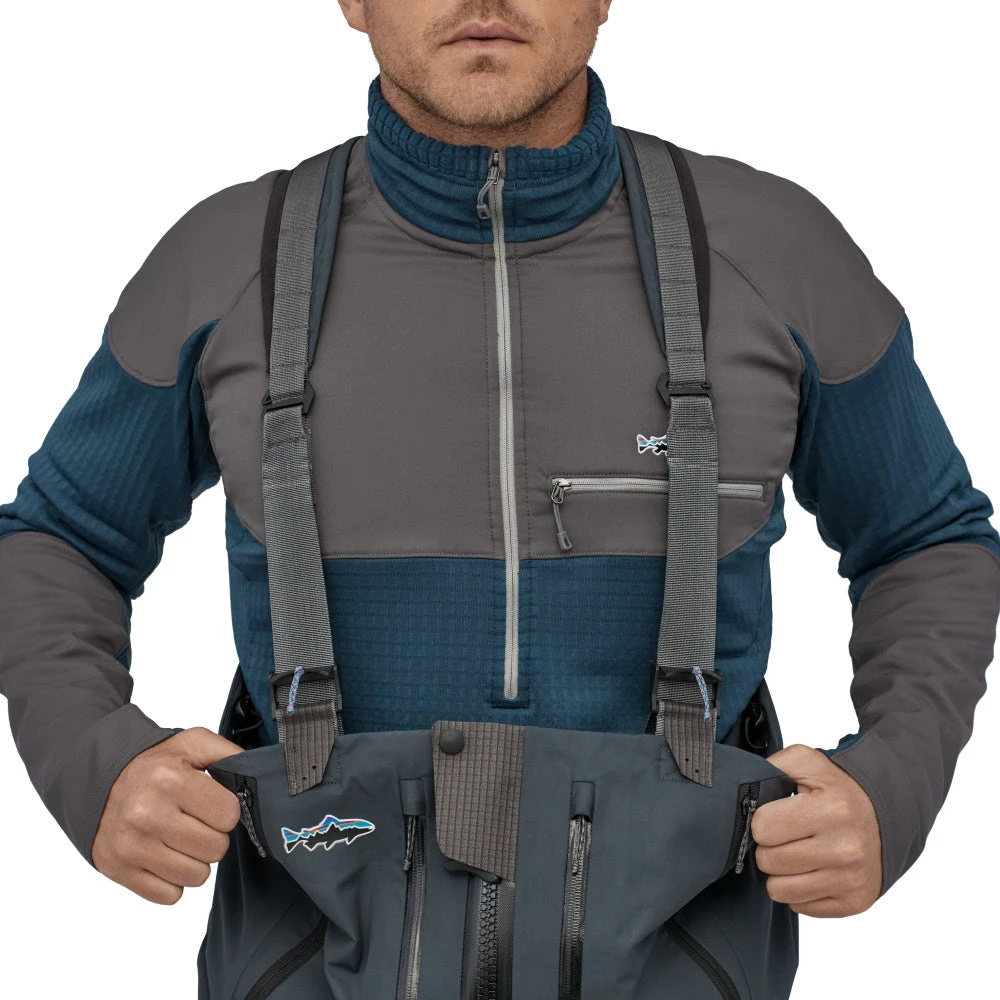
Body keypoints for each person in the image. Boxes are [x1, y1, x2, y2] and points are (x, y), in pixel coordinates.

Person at [1, 0, 998, 994]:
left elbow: (925, 537)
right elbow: (57, 539)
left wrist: (894, 782)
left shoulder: (778, 252)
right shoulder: (227, 261)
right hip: (314, 943)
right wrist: (94, 758)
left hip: (685, 949)